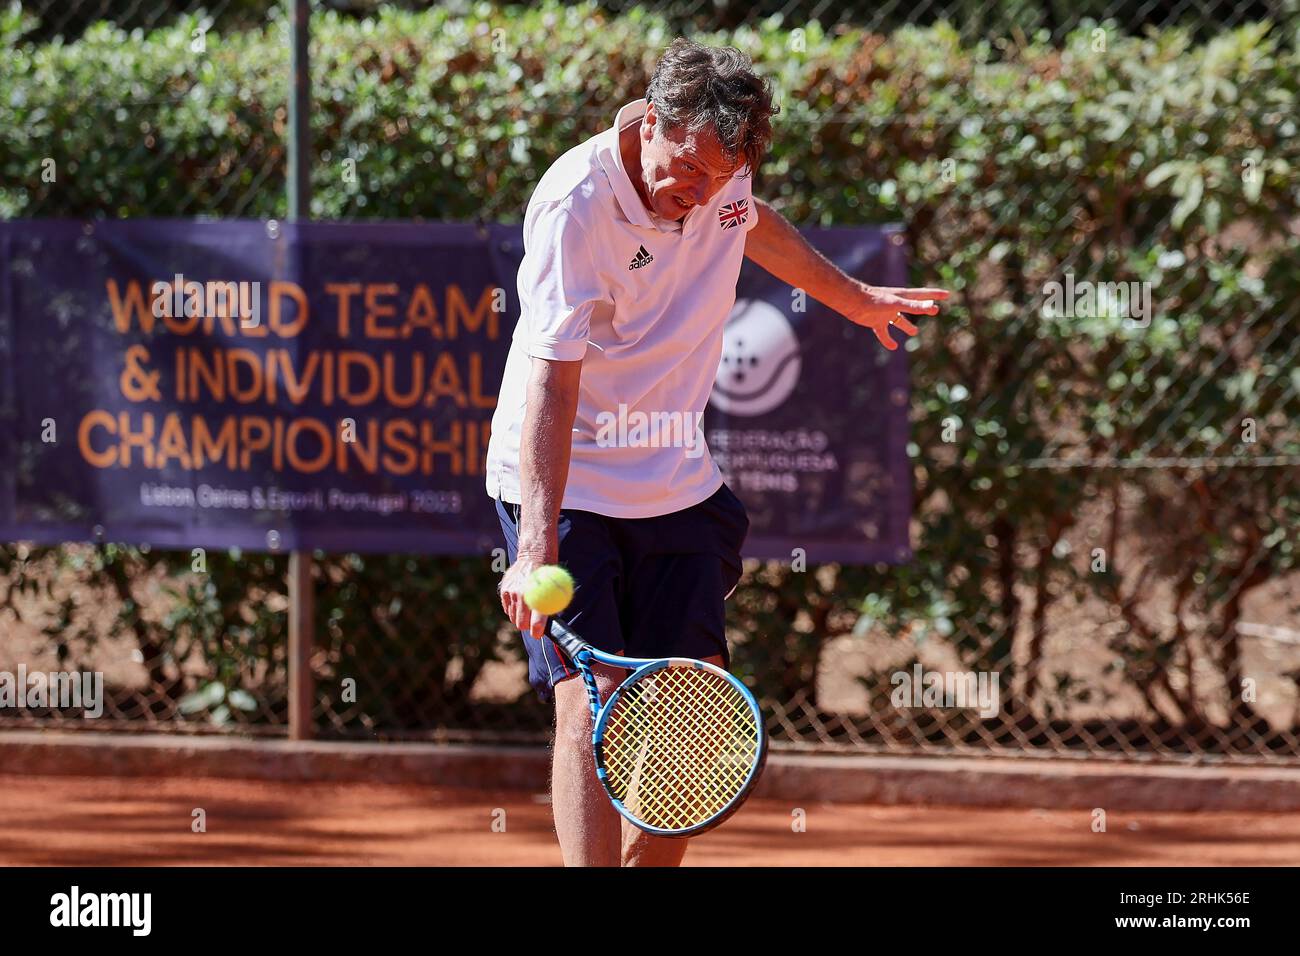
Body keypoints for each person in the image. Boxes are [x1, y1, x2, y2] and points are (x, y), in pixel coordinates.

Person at [487, 36, 948, 867]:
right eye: (686, 169)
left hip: (678, 479)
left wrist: (855, 298)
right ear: (652, 121)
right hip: (570, 479)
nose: (697, 195)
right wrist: (534, 547)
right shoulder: (575, 204)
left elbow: (752, 221)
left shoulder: (720, 171)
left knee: (689, 707)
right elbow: (553, 382)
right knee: (588, 703)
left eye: (718, 177)